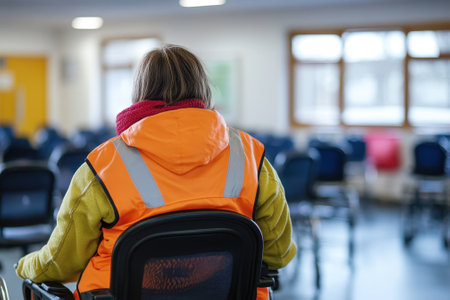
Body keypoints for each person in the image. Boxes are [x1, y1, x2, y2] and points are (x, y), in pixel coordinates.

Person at [16, 44, 297, 299]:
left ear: (140, 93)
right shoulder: (251, 156)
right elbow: (279, 253)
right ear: (203, 89)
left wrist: (24, 264)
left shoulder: (102, 165)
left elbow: (62, 263)